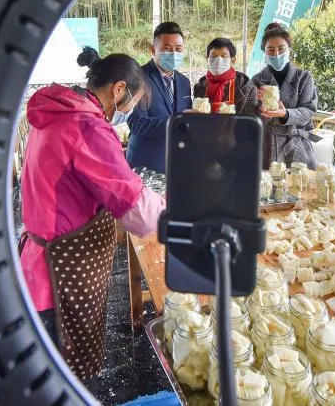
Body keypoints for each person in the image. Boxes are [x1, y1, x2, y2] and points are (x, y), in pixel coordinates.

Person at [18, 47, 165, 379]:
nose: (129, 109)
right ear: (118, 89)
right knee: (63, 377)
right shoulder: (86, 127)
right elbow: (138, 212)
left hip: (37, 262)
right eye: (133, 101)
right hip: (60, 275)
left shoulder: (56, 113)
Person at [127, 21, 192, 173]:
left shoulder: (184, 82)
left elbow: (187, 121)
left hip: (177, 164)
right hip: (145, 165)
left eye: (178, 49)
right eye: (167, 49)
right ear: (153, 49)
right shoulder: (138, 78)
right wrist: (176, 122)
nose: (174, 54)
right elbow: (136, 123)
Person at [252, 23, 319, 168]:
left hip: (297, 144)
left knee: (298, 180)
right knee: (268, 181)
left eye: (281, 49)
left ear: (289, 49)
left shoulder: (304, 77)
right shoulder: (256, 80)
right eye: (270, 50)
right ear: (264, 53)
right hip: (267, 145)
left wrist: (285, 114)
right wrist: (260, 109)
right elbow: (252, 117)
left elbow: (309, 111)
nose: (276, 54)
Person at [193, 37, 259, 115]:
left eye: (223, 57)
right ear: (207, 60)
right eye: (213, 57)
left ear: (233, 61)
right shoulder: (199, 87)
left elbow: (252, 117)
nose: (218, 60)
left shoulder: (246, 88)